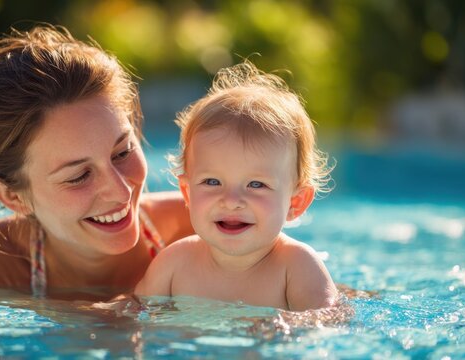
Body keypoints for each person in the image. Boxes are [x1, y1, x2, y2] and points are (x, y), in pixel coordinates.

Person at [0, 25, 193, 300]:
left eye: (122, 153)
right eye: (79, 176)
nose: (121, 191)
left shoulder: (206, 227)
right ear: (13, 196)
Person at [135, 61, 338, 311]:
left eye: (256, 184)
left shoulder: (296, 267)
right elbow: (132, 319)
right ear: (187, 192)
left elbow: (327, 327)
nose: (231, 200)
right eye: (212, 182)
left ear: (296, 202)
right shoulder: (173, 264)